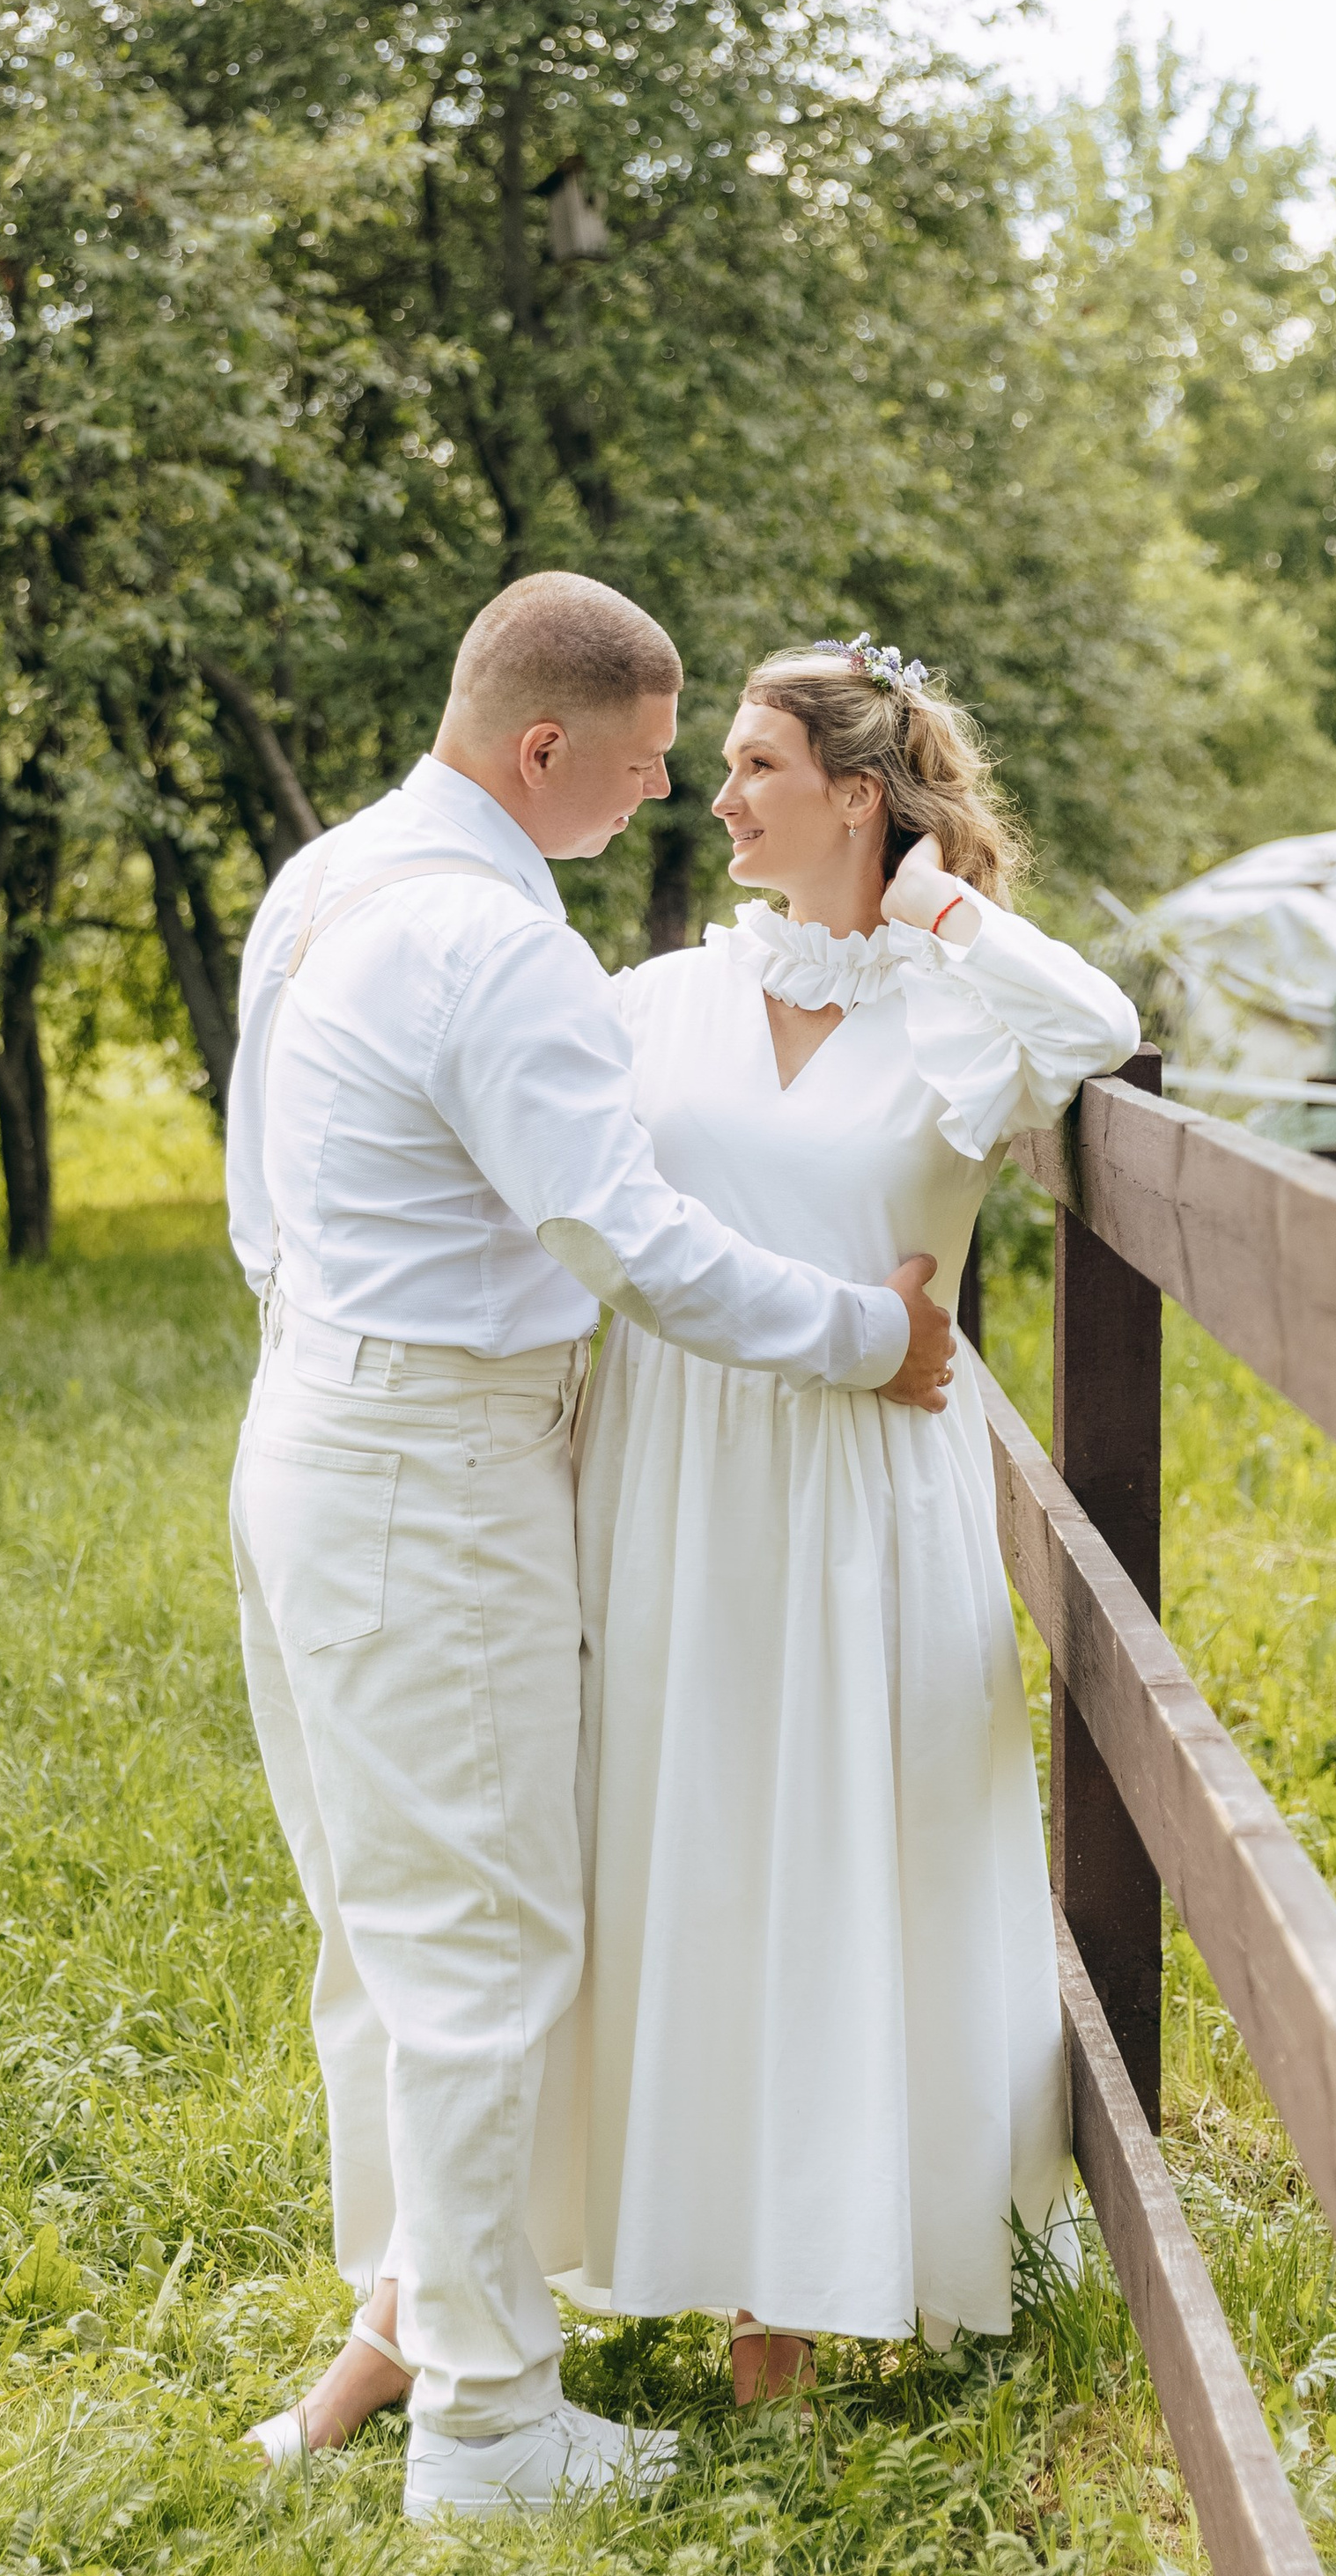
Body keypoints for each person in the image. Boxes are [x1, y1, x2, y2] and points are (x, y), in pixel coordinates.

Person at [223, 576, 957, 2521]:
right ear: (538, 749)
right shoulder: (496, 944)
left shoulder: (325, 886)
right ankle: (483, 2423)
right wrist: (870, 1335)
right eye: (641, 768)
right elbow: (629, 1245)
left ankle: (420, 2319)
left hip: (305, 1424)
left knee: (385, 1943)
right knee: (482, 1952)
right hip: (429, 1469)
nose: (660, 800)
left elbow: (250, 1193)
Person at [566, 636, 1140, 2396]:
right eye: (721, 763)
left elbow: (1101, 1026)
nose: (715, 796)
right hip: (670, 1488)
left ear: (854, 798)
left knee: (846, 1851)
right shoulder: (655, 999)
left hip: (863, 1500)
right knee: (692, 1848)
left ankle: (812, 2294)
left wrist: (932, 912)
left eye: (750, 766)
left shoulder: (952, 1013)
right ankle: (690, 2255)